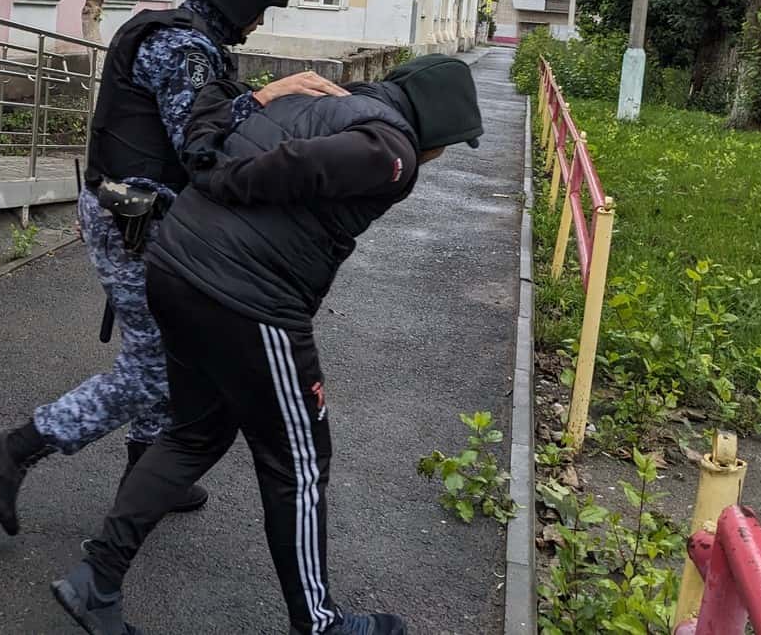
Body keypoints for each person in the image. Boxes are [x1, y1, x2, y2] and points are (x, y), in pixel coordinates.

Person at [50, 54, 485, 635]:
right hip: (245, 300)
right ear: (438, 122)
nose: (443, 154)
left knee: (194, 434)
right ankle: (319, 623)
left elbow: (226, 131)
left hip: (176, 266)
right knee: (298, 463)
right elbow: (297, 164)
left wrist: (211, 171)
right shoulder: (392, 148)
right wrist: (221, 179)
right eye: (450, 142)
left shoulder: (322, 101)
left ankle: (96, 579)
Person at [0, 0, 347, 535]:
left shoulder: (186, 38)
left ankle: (144, 476)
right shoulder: (181, 47)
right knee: (156, 367)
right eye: (260, 9)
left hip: (139, 217)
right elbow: (199, 141)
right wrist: (265, 98)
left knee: (167, 352)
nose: (258, 22)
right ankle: (12, 451)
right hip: (135, 223)